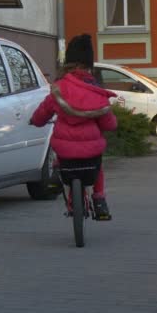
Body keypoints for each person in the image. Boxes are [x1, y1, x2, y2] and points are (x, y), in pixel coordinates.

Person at [30, 34, 117, 220]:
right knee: (98, 165)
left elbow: (42, 114)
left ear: (69, 64)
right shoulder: (97, 92)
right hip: (91, 152)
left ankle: (56, 178)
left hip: (66, 152)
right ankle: (99, 200)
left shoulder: (58, 88)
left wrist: (35, 121)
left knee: (60, 151)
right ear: (88, 66)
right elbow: (109, 124)